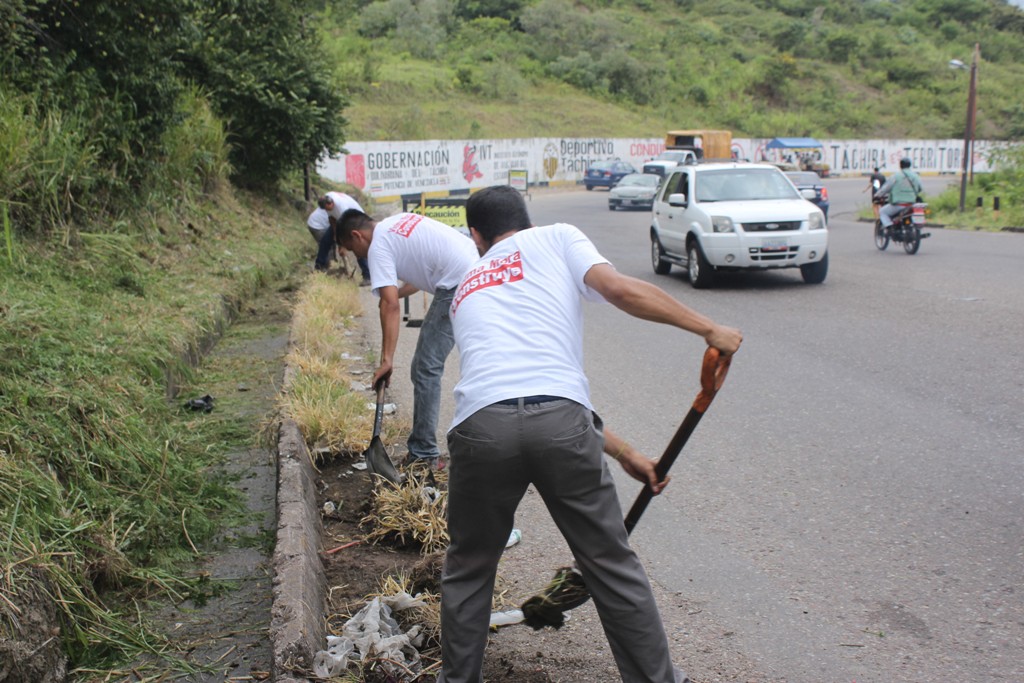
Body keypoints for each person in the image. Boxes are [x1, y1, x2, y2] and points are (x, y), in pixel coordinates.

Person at [439, 185, 743, 683]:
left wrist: (624, 452)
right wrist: (707, 328)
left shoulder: (468, 281)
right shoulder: (556, 238)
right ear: (528, 220)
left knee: (468, 569)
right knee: (609, 562)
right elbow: (617, 291)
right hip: (562, 425)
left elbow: (514, 394)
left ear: (476, 237)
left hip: (480, 428)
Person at [337, 209, 478, 467]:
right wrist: (394, 294)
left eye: (354, 250)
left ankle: (423, 453)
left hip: (459, 282)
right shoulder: (396, 223)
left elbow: (389, 306)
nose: (360, 257)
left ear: (357, 235)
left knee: (425, 367)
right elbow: (417, 277)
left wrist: (386, 360)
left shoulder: (378, 245)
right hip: (475, 268)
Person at [314, 192, 371, 283]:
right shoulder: (327, 199)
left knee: (357, 247)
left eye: (329, 208)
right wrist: (336, 236)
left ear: (331, 203)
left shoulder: (341, 207)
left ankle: (367, 276)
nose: (328, 210)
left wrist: (342, 246)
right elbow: (332, 220)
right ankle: (318, 268)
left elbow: (345, 228)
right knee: (325, 241)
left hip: (356, 220)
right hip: (341, 221)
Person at [877, 159, 923, 230]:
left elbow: (885, 189)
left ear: (900, 165)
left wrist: (877, 195)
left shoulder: (895, 176)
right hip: (912, 204)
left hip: (898, 204)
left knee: (882, 212)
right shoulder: (916, 176)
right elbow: (920, 188)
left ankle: (889, 227)